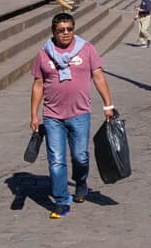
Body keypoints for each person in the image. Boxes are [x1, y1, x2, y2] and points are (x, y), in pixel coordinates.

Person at [28, 13, 112, 220]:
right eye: (61, 30)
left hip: (80, 113)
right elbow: (38, 85)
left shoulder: (87, 49)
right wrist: (34, 115)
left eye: (69, 29)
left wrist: (108, 104)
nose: (66, 33)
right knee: (56, 160)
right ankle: (61, 201)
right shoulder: (43, 54)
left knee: (80, 156)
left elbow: (98, 76)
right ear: (53, 32)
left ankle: (81, 183)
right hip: (52, 116)